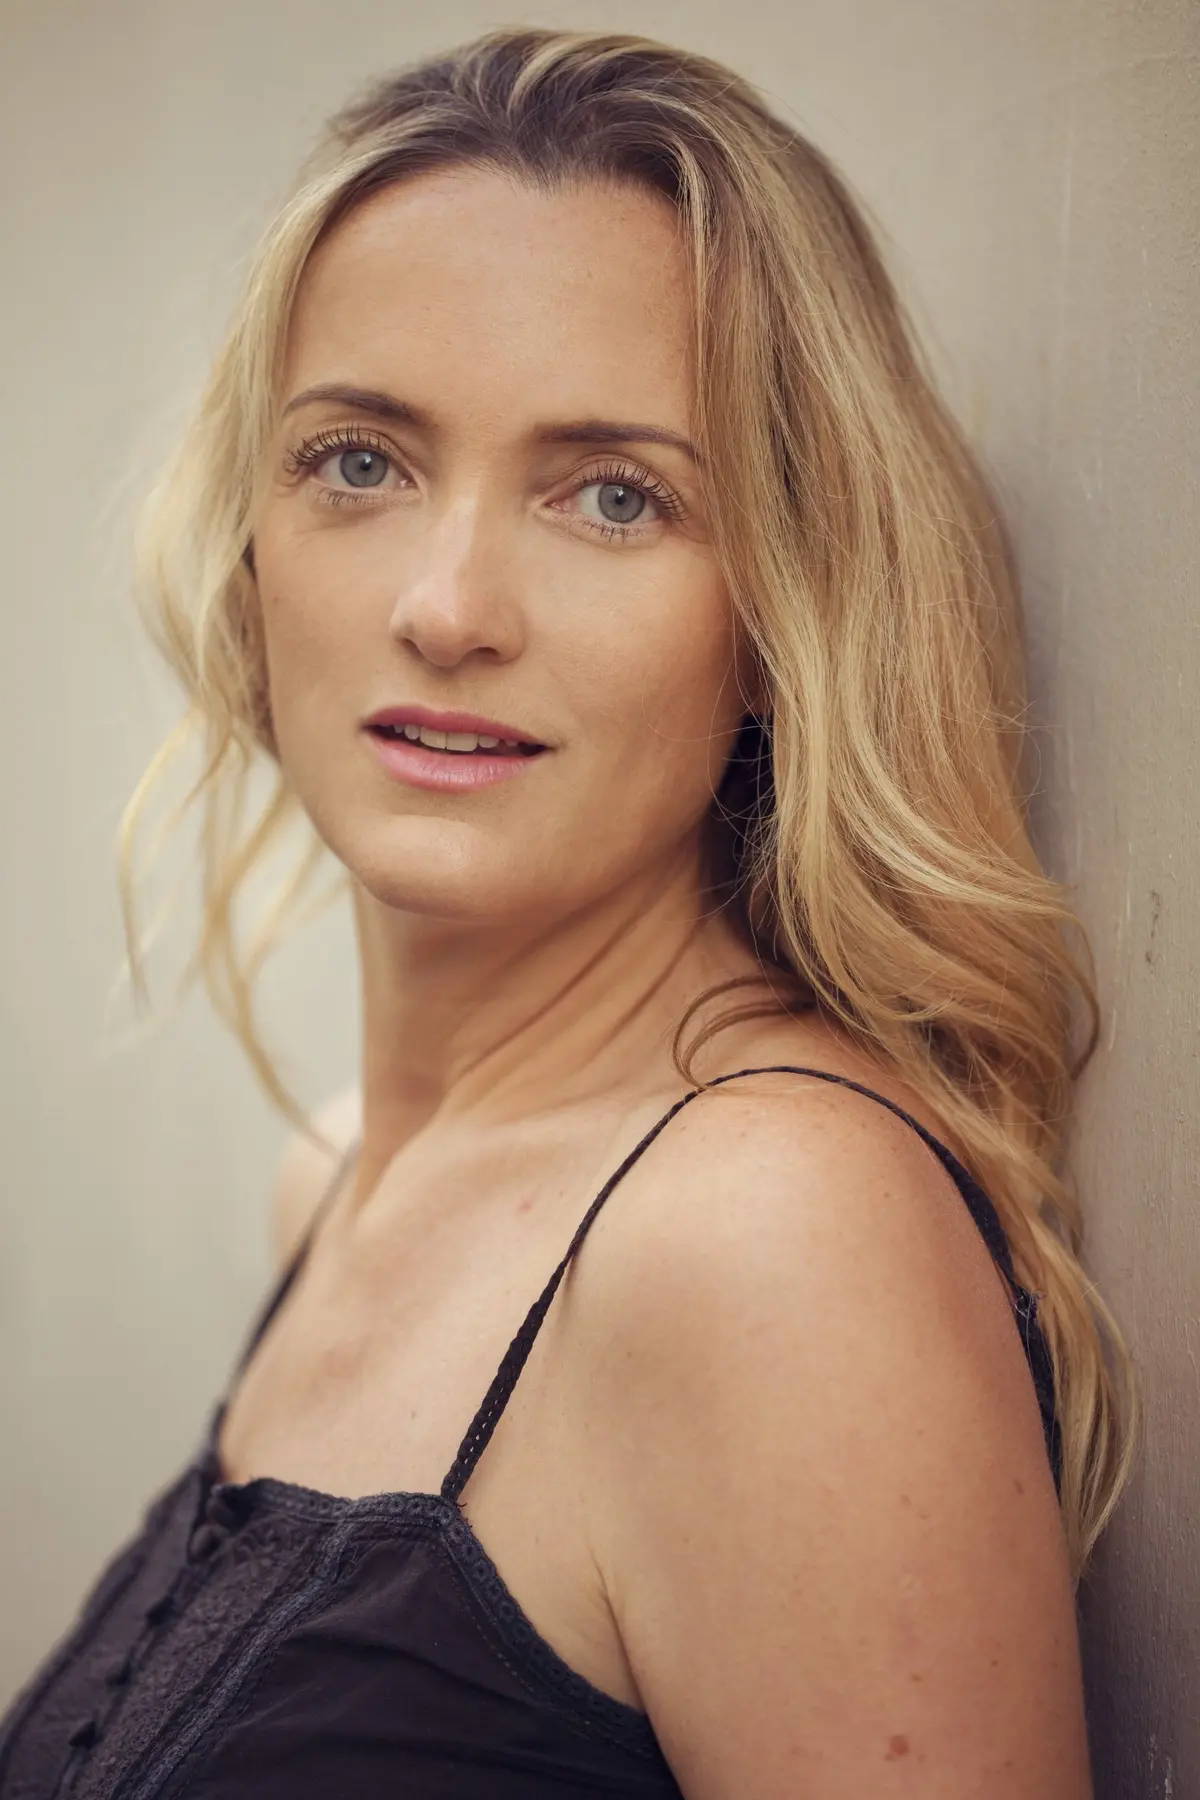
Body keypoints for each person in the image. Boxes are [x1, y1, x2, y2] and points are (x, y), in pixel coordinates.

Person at [0, 26, 1132, 1799]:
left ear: (781, 619)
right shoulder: (340, 1174)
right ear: (250, 541)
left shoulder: (768, 1240)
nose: (450, 606)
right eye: (359, 461)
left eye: (615, 496)